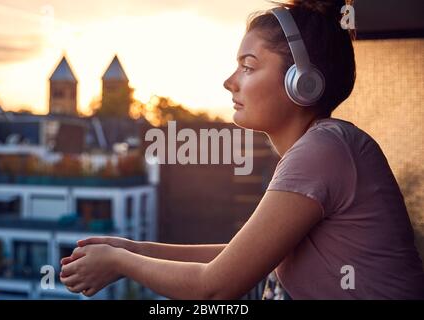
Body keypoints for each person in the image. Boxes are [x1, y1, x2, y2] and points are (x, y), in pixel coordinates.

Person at [60, 0, 424, 299]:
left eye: (248, 67)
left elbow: (215, 286)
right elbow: (237, 260)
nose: (229, 82)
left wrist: (120, 263)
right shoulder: (322, 147)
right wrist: (131, 249)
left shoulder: (323, 151)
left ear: (302, 82)